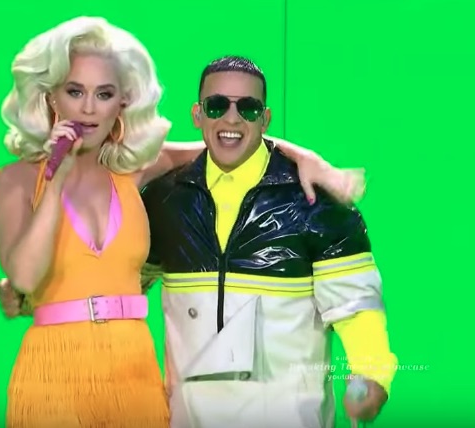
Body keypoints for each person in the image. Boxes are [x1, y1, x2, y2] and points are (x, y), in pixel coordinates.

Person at [0, 15, 367, 427]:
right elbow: (24, 278)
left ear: (122, 102)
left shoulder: (132, 169)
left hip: (134, 369)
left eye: (104, 93)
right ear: (51, 97)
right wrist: (55, 178)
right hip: (53, 370)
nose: (88, 108)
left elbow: (230, 139)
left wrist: (308, 159)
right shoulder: (16, 181)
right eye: (75, 91)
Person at [138, 56, 398, 428]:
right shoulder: (164, 202)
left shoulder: (317, 204)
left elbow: (356, 308)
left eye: (247, 107)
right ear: (197, 115)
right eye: (217, 105)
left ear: (265, 119)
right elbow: (118, 283)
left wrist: (371, 377)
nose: (232, 118)